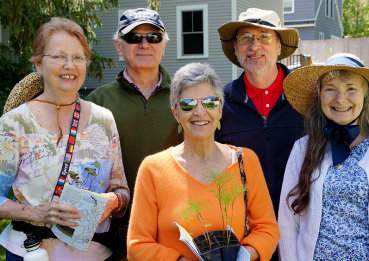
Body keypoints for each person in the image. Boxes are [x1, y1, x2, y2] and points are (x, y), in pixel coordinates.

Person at [0, 17, 129, 260]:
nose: (69, 65)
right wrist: (37, 213)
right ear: (38, 64)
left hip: (94, 253)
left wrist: (112, 201)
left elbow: (120, 188)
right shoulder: (14, 124)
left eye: (78, 57)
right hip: (31, 252)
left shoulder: (104, 120)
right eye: (58, 56)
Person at [127, 63, 280, 261]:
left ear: (220, 110)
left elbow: (268, 229)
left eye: (209, 102)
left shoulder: (245, 161)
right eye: (188, 104)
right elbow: (137, 246)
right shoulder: (153, 169)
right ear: (176, 113)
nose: (199, 112)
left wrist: (241, 257)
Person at [278, 53, 369, 260]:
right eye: (330, 89)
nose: (340, 99)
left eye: (351, 89)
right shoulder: (303, 148)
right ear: (320, 96)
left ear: (365, 95)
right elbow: (288, 222)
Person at [86, 8, 182, 259]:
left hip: (174, 221)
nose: (144, 45)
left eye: (153, 38)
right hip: (114, 226)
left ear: (163, 46)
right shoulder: (97, 101)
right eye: (133, 38)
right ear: (119, 46)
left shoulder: (186, 97)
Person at [215, 8, 305, 219]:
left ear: (279, 46)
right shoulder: (220, 103)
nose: (254, 46)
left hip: (302, 222)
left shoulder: (307, 98)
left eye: (264, 37)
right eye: (246, 38)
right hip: (245, 227)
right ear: (236, 48)